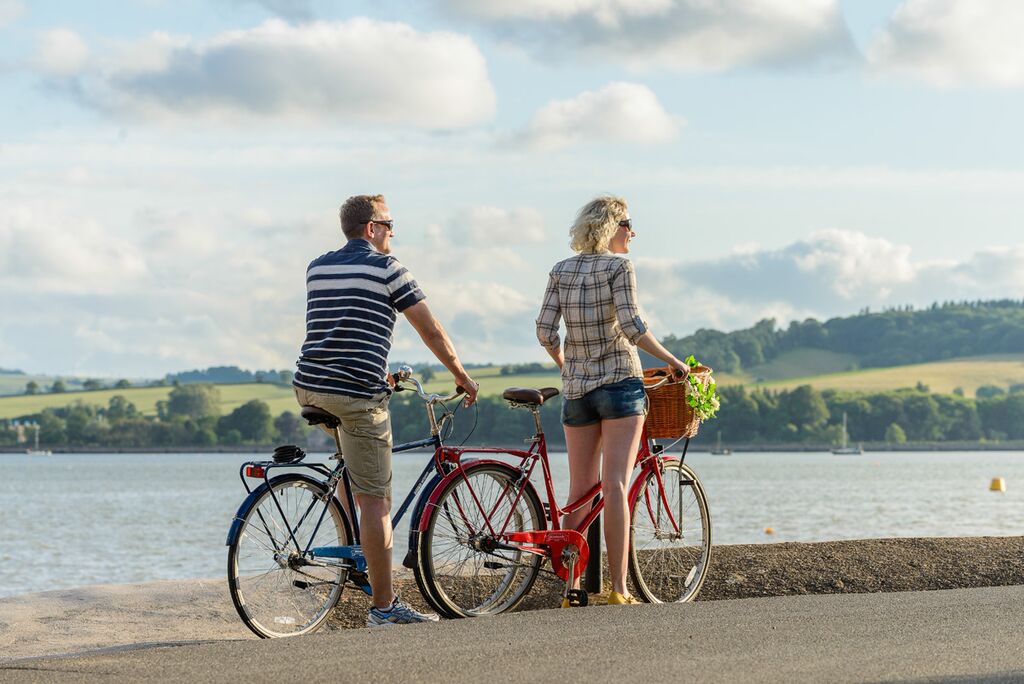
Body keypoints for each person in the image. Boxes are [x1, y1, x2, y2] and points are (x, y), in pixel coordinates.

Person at [293, 194, 479, 626]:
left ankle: (354, 551)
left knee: (352, 470)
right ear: (372, 228)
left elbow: (344, 328)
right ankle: (384, 607)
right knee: (376, 500)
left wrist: (384, 376)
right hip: (355, 395)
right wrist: (462, 375)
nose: (394, 231)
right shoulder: (388, 268)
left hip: (309, 386)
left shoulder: (317, 266)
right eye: (390, 223)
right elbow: (430, 329)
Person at [535, 195, 690, 605]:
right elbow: (633, 326)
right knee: (616, 483)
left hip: (577, 390)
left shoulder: (560, 269)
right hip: (620, 382)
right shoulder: (620, 266)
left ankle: (571, 589)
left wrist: (566, 363)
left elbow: (546, 331)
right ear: (610, 226)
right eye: (628, 223)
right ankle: (619, 590)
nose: (633, 231)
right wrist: (673, 360)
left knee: (579, 491)